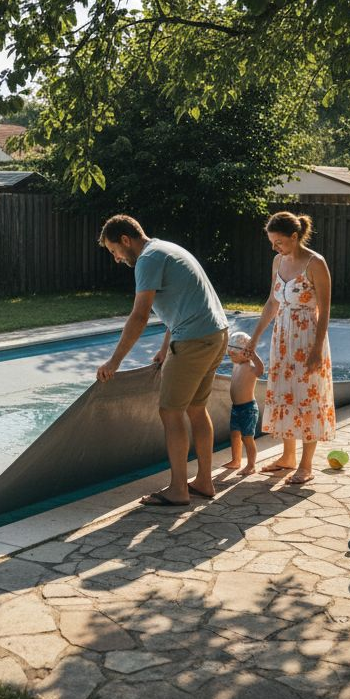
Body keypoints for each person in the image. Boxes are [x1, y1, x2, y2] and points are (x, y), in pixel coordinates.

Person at [96, 215, 229, 507]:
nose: (116, 258)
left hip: (194, 341)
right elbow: (184, 300)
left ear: (126, 240)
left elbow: (140, 315)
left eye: (113, 250)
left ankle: (178, 489)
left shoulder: (147, 260)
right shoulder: (166, 249)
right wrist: (166, 345)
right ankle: (204, 482)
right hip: (216, 334)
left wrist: (114, 362)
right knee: (196, 408)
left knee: (171, 412)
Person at [241, 211, 335, 485]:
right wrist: (256, 336)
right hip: (282, 337)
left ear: (294, 237)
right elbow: (273, 301)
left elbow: (325, 310)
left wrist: (317, 349)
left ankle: (306, 464)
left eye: (279, 241)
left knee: (308, 396)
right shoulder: (278, 261)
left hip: (307, 337)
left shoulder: (315, 263)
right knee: (285, 394)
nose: (274, 247)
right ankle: (288, 457)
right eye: (272, 242)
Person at [223, 331, 264, 475]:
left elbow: (260, 371)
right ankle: (236, 461)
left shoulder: (250, 366)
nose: (231, 357)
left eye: (233, 354)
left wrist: (255, 356)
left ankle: (251, 465)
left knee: (247, 438)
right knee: (234, 435)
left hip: (248, 409)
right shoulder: (237, 364)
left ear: (245, 353)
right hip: (236, 408)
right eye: (230, 354)